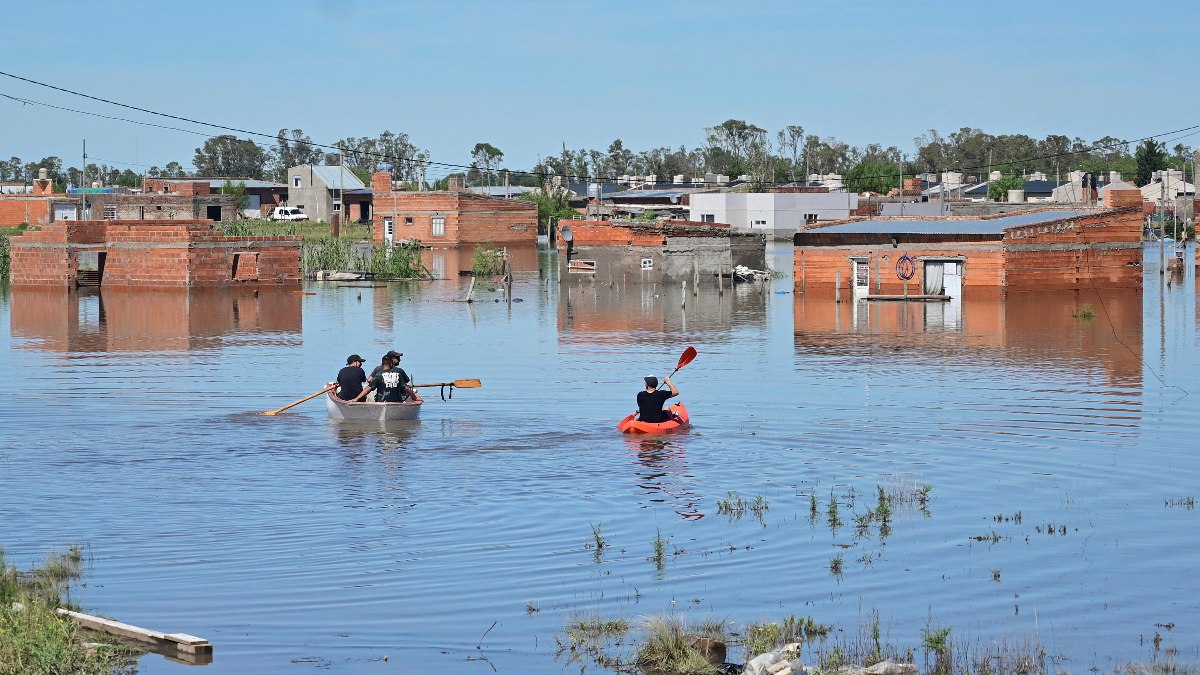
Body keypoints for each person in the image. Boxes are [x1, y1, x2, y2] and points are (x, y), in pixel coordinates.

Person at [356, 354, 423, 404]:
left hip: (382, 402)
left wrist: (356, 399)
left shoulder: (379, 375)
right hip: (397, 402)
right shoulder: (398, 375)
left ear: (382, 364)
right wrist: (415, 398)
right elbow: (406, 388)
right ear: (391, 364)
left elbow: (368, 389)